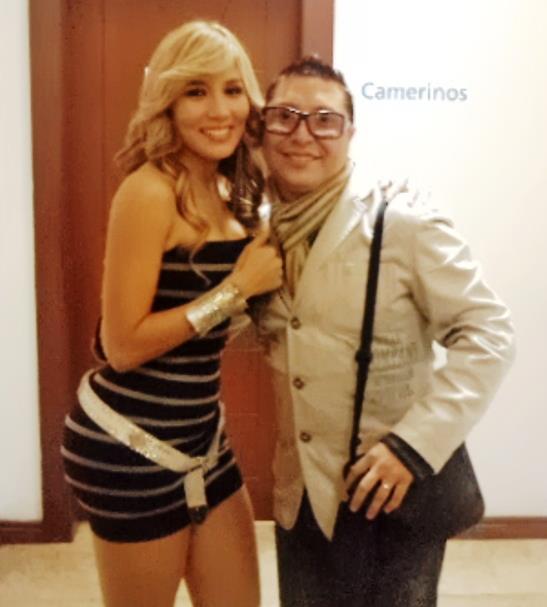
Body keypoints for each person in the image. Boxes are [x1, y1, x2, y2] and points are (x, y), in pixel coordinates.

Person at [257, 56, 515, 606]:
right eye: (284, 116)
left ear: (350, 133)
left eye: (324, 120)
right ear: (263, 126)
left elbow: (489, 333)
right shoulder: (258, 230)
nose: (302, 134)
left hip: (390, 490)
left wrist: (413, 447)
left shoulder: (402, 222)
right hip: (300, 493)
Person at [61, 21, 282, 607]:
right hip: (128, 444)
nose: (220, 110)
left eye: (232, 89)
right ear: (168, 101)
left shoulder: (234, 191)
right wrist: (235, 290)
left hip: (203, 437)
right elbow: (122, 346)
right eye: (196, 91)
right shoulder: (149, 190)